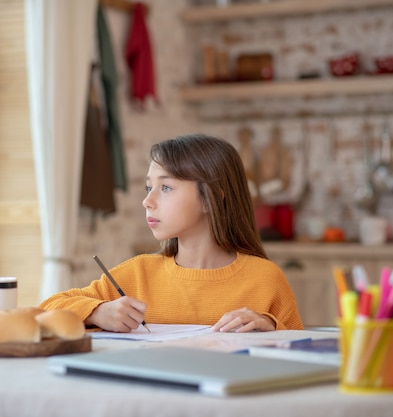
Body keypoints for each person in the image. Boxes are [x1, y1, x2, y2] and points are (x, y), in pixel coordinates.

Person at [39, 134, 303, 333]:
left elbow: (303, 357)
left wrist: (272, 328)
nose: (147, 201)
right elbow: (46, 309)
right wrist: (96, 311)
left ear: (210, 199)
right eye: (148, 188)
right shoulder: (136, 275)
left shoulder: (266, 279)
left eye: (165, 188)